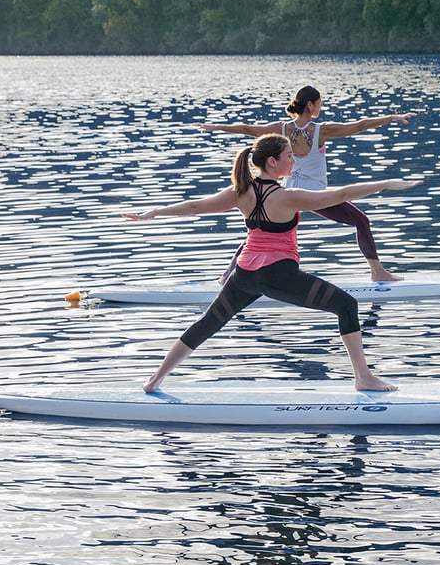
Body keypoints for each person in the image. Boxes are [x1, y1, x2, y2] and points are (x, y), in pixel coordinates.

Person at [122, 133, 422, 394]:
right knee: (346, 305)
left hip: (244, 274)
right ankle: (363, 377)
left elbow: (194, 207)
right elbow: (340, 194)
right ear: (272, 163)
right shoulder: (288, 197)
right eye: (289, 156)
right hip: (278, 274)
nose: (294, 161)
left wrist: (154, 212)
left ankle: (154, 380)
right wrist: (385, 183)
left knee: (208, 323)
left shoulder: (241, 192)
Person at [200, 85, 416, 282]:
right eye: (319, 102)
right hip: (313, 197)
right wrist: (391, 117)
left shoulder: (281, 128)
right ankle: (378, 272)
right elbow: (359, 126)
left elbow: (247, 128)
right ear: (310, 105)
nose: (320, 106)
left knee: (262, 232)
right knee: (361, 221)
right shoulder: (321, 130)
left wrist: (214, 127)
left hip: (287, 194)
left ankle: (227, 276)